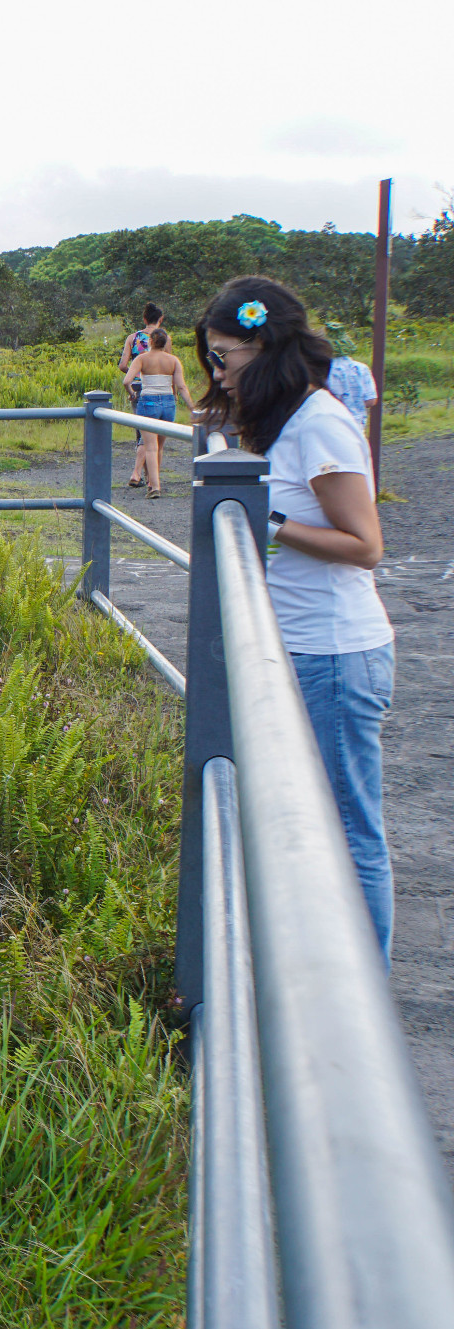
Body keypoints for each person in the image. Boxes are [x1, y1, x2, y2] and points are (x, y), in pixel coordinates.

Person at [202, 275, 396, 966]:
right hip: (296, 649)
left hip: (334, 654)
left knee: (347, 829)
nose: (218, 371)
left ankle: (362, 988)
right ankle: (318, 967)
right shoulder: (280, 422)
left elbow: (365, 546)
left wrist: (272, 522)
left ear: (266, 346)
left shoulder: (320, 423)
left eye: (226, 356)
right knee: (304, 822)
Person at [123, 328, 191, 497]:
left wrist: (132, 394)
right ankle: (155, 481)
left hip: (148, 402)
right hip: (168, 403)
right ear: (165, 342)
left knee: (150, 447)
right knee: (160, 446)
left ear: (150, 341)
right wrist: (192, 408)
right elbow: (181, 387)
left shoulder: (142, 359)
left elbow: (127, 381)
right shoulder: (173, 360)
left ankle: (154, 487)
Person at [325, 350, 380, 434]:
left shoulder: (323, 370)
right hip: (356, 425)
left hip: (330, 425)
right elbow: (371, 401)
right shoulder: (362, 368)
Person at [121, 303, 166, 402]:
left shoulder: (132, 338)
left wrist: (135, 373)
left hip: (138, 386)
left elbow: (122, 366)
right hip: (159, 385)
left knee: (138, 416)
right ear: (161, 319)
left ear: (144, 319)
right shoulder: (165, 339)